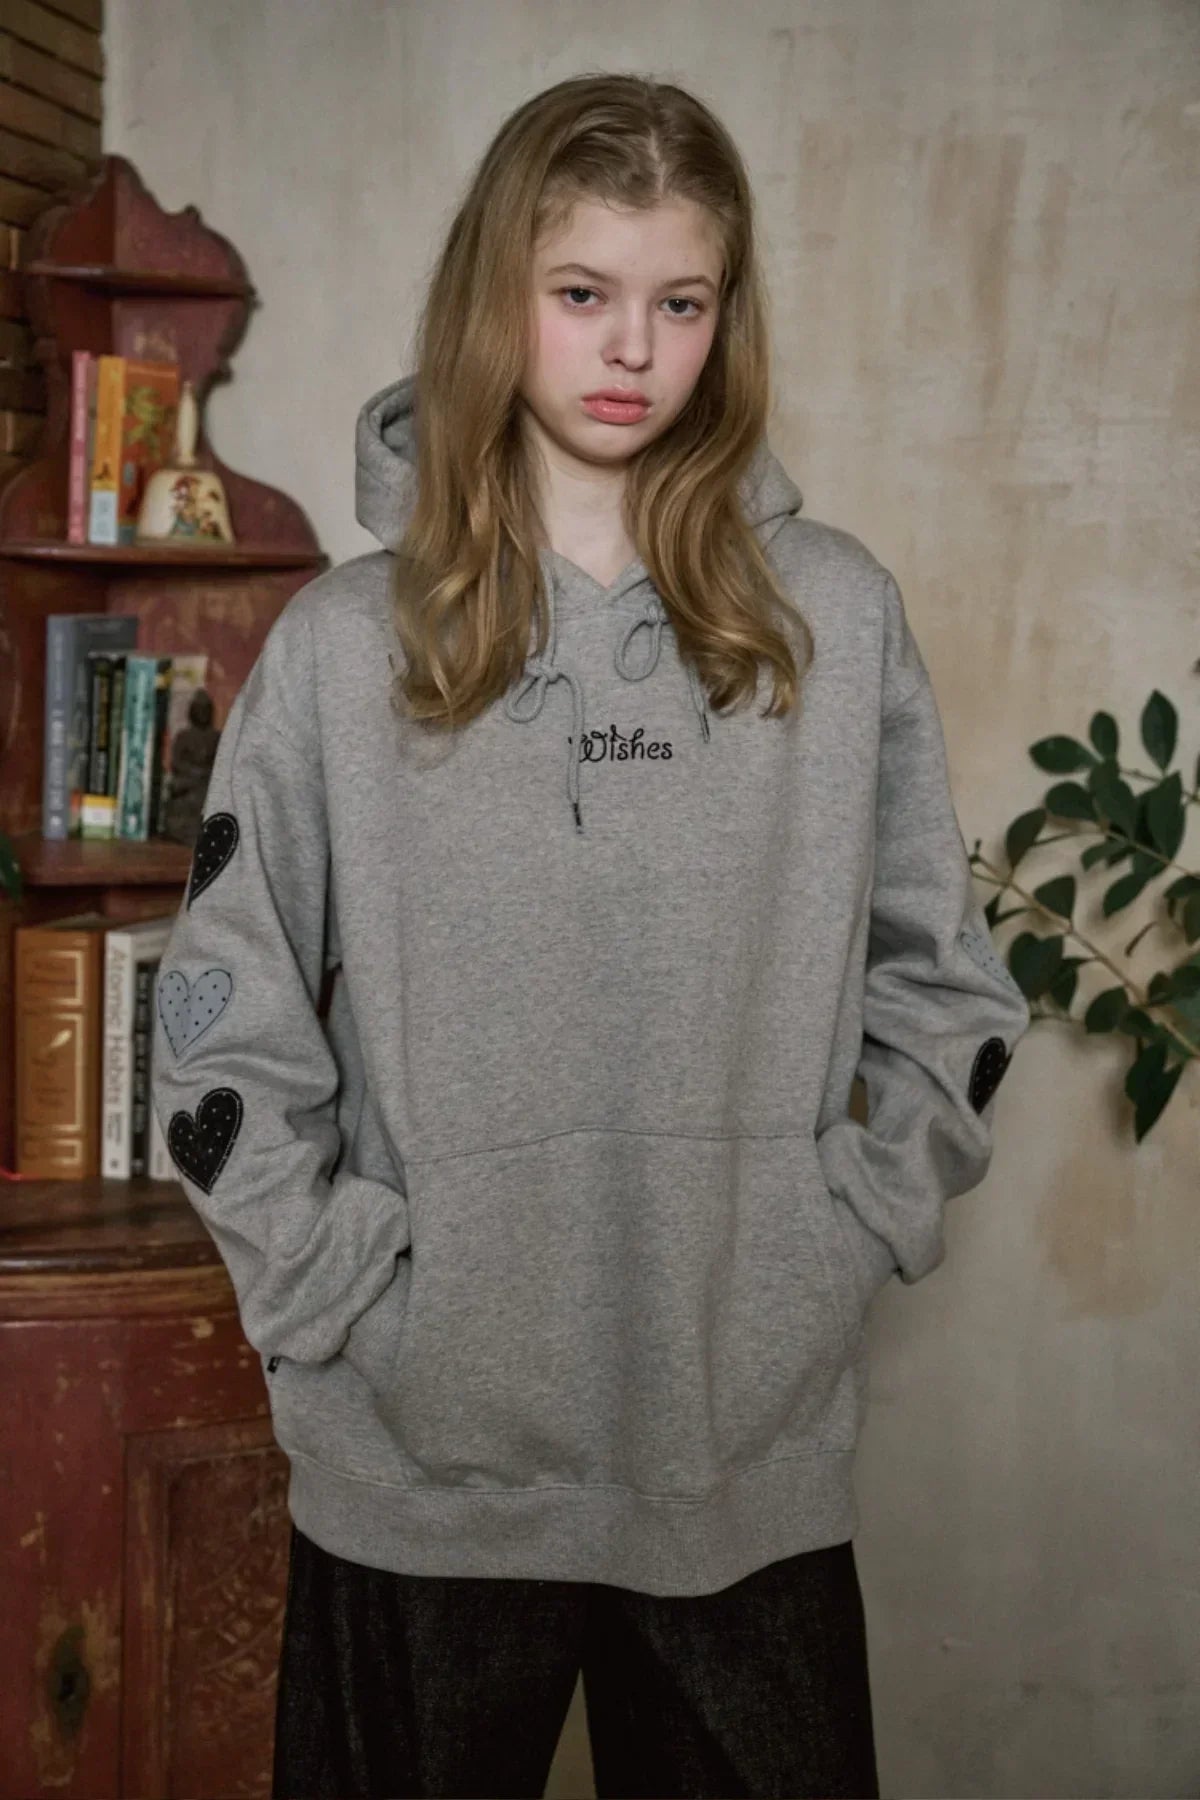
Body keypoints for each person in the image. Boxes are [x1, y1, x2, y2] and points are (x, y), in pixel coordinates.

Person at [151, 71, 1031, 1800]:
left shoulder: (831, 622)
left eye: (680, 301)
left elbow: (949, 985)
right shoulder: (344, 646)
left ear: (725, 315)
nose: (634, 348)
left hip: (740, 1444)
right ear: (499, 298)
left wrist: (832, 1237)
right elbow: (220, 1008)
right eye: (582, 294)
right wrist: (339, 1290)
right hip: (418, 1458)